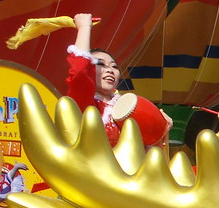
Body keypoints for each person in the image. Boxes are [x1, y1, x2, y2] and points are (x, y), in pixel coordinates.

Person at [66, 13, 172, 147]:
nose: (110, 69)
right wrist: (84, 27)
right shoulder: (84, 101)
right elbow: (80, 71)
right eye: (100, 64)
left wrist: (161, 129)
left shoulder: (129, 108)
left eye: (114, 66)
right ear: (90, 69)